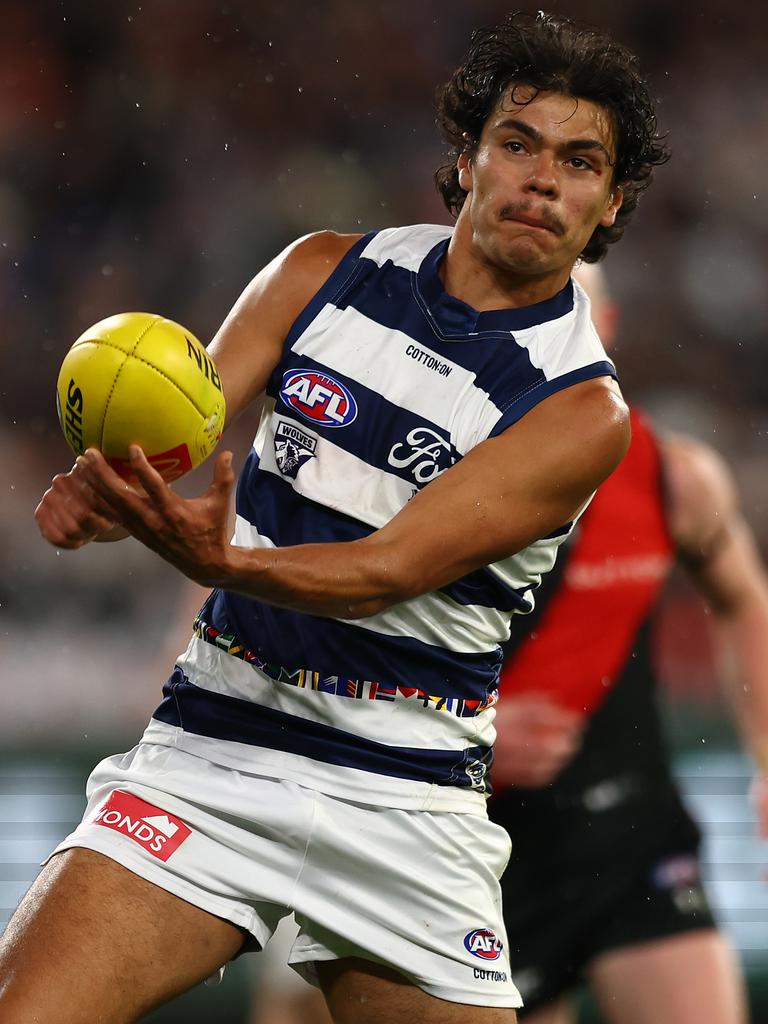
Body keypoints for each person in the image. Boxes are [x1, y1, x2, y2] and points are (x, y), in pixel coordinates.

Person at [4, 13, 668, 1024]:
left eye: (579, 162)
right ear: (467, 158)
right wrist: (115, 501)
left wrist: (215, 556)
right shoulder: (318, 272)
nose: (543, 179)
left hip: (406, 797)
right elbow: (176, 441)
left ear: (610, 202)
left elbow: (384, 570)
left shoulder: (582, 411)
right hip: (216, 747)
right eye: (518, 144)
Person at [489, 261, 768, 1024]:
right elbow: (329, 658)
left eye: (567, 314)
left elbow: (744, 598)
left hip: (634, 839)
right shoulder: (419, 481)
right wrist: (468, 737)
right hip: (474, 850)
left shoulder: (671, 479)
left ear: (603, 330)